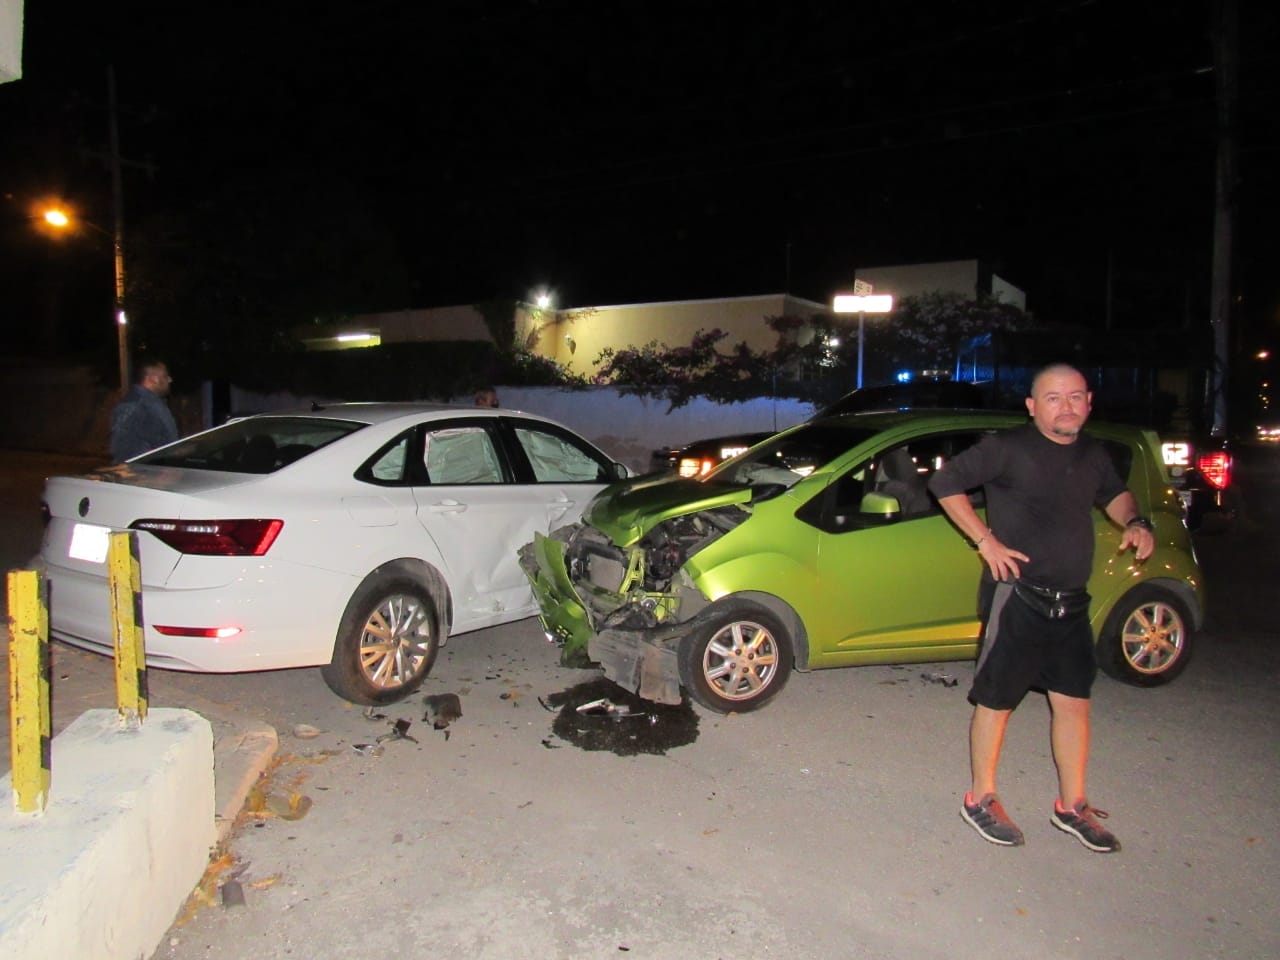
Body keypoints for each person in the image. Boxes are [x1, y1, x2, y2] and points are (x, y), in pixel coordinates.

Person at [926, 363, 1155, 853]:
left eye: (1074, 397)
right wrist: (986, 541)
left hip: (1070, 602)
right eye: (1053, 398)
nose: (1066, 406)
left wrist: (1135, 520)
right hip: (1019, 597)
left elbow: (1114, 494)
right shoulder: (1008, 449)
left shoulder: (1093, 455)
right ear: (1032, 407)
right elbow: (945, 483)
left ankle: (1073, 806)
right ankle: (981, 797)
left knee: (1073, 703)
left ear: (1089, 402)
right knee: (997, 700)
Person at [109, 358, 179, 463]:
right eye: (165, 376)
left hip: (160, 472)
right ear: (153, 379)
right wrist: (156, 467)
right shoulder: (133, 404)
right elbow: (122, 448)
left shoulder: (154, 403)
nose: (169, 380)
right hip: (146, 475)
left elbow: (162, 440)